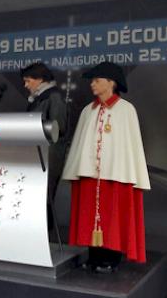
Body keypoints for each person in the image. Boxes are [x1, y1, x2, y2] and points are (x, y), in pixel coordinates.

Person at [62, 62, 149, 273]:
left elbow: (130, 147)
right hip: (91, 175)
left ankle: (111, 258)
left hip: (116, 175)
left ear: (111, 83)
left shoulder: (126, 110)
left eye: (97, 80)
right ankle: (94, 258)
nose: (92, 84)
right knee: (90, 215)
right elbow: (81, 143)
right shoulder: (87, 111)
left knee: (113, 217)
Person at [21, 62, 68, 233]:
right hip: (36, 156)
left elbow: (58, 127)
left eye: (28, 81)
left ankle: (44, 242)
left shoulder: (54, 97)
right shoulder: (39, 98)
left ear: (40, 79)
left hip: (48, 158)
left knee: (44, 202)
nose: (25, 85)